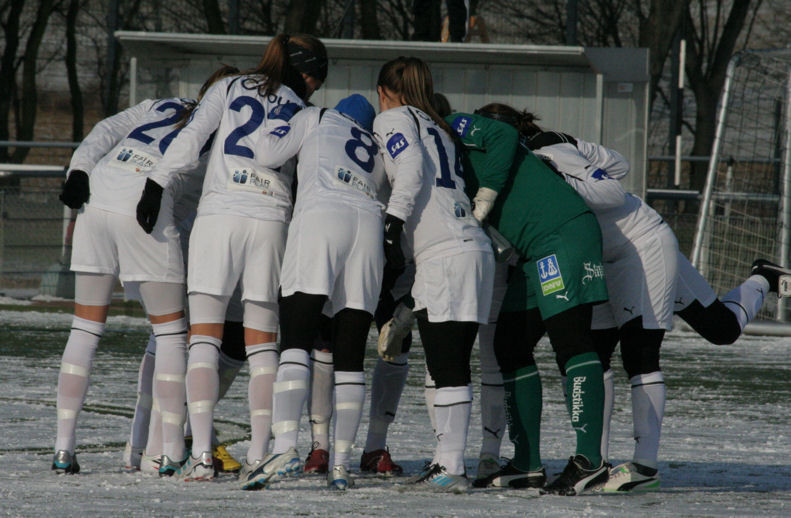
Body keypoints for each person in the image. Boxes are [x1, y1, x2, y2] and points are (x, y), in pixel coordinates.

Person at [483, 103, 791, 492]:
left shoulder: (546, 153)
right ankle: (594, 460)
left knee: (640, 352)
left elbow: (611, 188)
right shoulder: (508, 170)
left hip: (640, 244)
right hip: (601, 256)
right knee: (717, 329)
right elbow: (616, 164)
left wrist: (566, 165)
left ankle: (645, 465)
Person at [134, 34, 327, 481]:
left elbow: (193, 136)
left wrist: (157, 181)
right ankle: (260, 452)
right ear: (305, 73)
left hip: (219, 215)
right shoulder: (304, 108)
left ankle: (200, 454)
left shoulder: (229, 86)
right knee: (263, 346)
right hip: (270, 218)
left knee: (203, 338)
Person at [444, 108, 610, 496]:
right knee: (510, 344)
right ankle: (527, 463)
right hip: (533, 252)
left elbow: (502, 133)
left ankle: (590, 461)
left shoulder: (454, 123)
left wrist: (485, 195)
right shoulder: (443, 149)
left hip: (560, 236)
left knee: (571, 343)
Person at [239, 94, 387, 491]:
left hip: (323, 212)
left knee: (296, 339)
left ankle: (285, 444)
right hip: (369, 224)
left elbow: (268, 153)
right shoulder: (377, 144)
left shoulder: (319, 116)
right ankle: (340, 465)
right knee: (351, 354)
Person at [52, 93, 202, 475]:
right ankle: (170, 452)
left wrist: (79, 170)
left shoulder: (162, 103)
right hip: (145, 202)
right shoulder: (217, 118)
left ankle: (63, 449)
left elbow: (105, 130)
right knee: (170, 332)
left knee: (84, 326)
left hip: (99, 195)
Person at [374, 56, 495, 493]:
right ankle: (447, 463)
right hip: (473, 247)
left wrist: (392, 222)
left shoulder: (395, 119)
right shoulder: (440, 125)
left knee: (447, 368)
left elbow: (409, 171)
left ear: (386, 90)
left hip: (444, 253)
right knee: (453, 366)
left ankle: (450, 467)